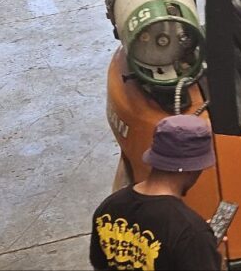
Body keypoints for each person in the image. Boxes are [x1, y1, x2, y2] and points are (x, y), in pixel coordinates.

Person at [90, 115, 222, 271]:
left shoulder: (109, 207)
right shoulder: (191, 233)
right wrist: (207, 252)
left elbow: (99, 262)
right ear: (193, 169)